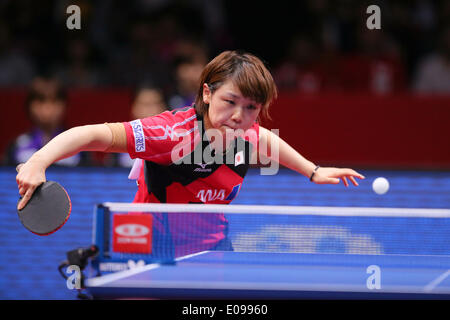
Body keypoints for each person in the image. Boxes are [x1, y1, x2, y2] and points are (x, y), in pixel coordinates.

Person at [15, 51, 364, 257]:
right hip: (150, 246)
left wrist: (312, 170)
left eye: (252, 107)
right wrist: (37, 162)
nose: (240, 117)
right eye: (230, 102)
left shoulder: (244, 131)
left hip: (211, 247)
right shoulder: (170, 134)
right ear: (208, 93)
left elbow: (264, 141)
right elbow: (92, 134)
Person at [4, 76, 91, 166]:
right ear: (29, 106)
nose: (47, 107)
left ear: (65, 105)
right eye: (41, 100)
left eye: (54, 100)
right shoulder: (17, 146)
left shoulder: (79, 146)